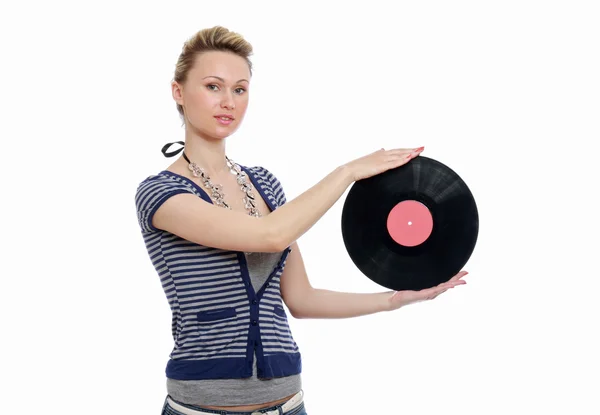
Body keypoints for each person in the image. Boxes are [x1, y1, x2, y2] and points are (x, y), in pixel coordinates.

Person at [134, 26, 468, 415]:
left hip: (288, 404)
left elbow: (301, 299)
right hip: (200, 407)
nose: (228, 101)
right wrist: (346, 172)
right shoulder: (161, 194)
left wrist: (395, 300)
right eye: (213, 86)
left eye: (240, 89)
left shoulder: (265, 185)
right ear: (178, 92)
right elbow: (271, 235)